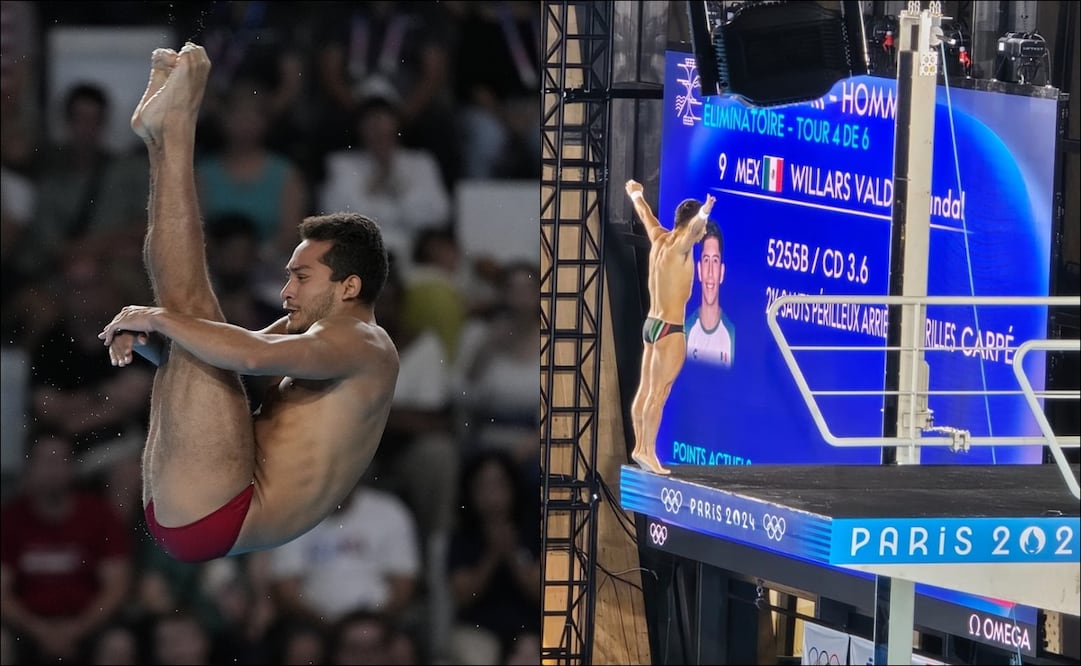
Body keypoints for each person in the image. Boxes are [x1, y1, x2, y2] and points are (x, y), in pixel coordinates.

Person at [96, 42, 399, 564]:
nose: (287, 292)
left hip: (223, 509)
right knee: (189, 316)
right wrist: (155, 343)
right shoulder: (321, 334)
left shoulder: (361, 342)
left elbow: (251, 357)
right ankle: (162, 138)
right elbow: (220, 352)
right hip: (204, 505)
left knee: (188, 307)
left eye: (302, 277)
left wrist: (158, 319)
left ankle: (176, 130)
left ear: (349, 287)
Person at [625, 179, 715, 475]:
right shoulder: (680, 247)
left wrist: (636, 193)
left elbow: (645, 215)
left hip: (651, 324)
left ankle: (640, 447)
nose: (702, 235)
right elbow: (691, 232)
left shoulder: (659, 239)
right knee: (659, 393)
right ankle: (648, 450)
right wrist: (705, 212)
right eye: (701, 229)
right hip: (670, 329)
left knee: (646, 388)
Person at [686, 220, 735, 366]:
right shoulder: (686, 330)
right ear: (699, 270)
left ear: (722, 272)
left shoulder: (731, 334)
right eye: (706, 260)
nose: (710, 273)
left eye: (715, 261)